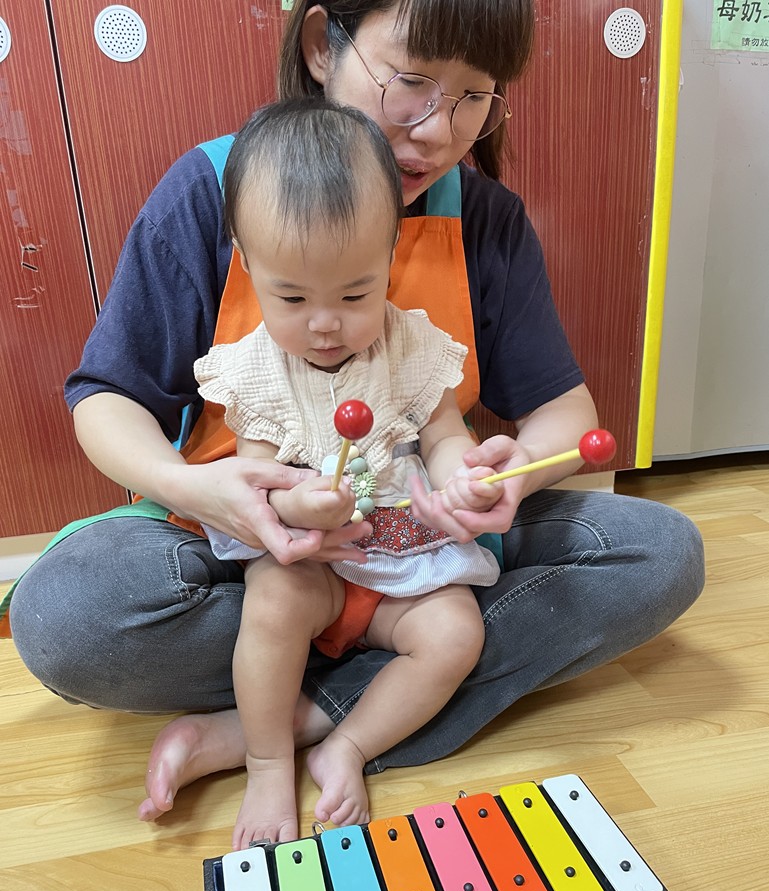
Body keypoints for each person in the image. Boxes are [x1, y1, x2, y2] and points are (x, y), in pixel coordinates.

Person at [6, 1, 704, 832]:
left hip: (416, 538)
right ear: (319, 46)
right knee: (67, 617)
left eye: (473, 96)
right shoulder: (210, 191)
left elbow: (552, 415)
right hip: (244, 547)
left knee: (660, 553)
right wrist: (200, 490)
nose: (438, 130)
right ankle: (343, 695)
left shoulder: (482, 223)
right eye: (410, 82)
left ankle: (286, 722)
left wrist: (503, 477)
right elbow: (106, 398)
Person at [195, 99, 506, 848]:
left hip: (403, 562)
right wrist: (298, 504)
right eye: (293, 297)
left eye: (355, 294)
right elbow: (256, 480)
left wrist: (462, 476)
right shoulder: (257, 369)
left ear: (390, 252)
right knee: (271, 603)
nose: (325, 322)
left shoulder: (412, 347)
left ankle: (348, 744)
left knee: (456, 634)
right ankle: (267, 761)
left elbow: (444, 434)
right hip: (313, 571)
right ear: (247, 262)